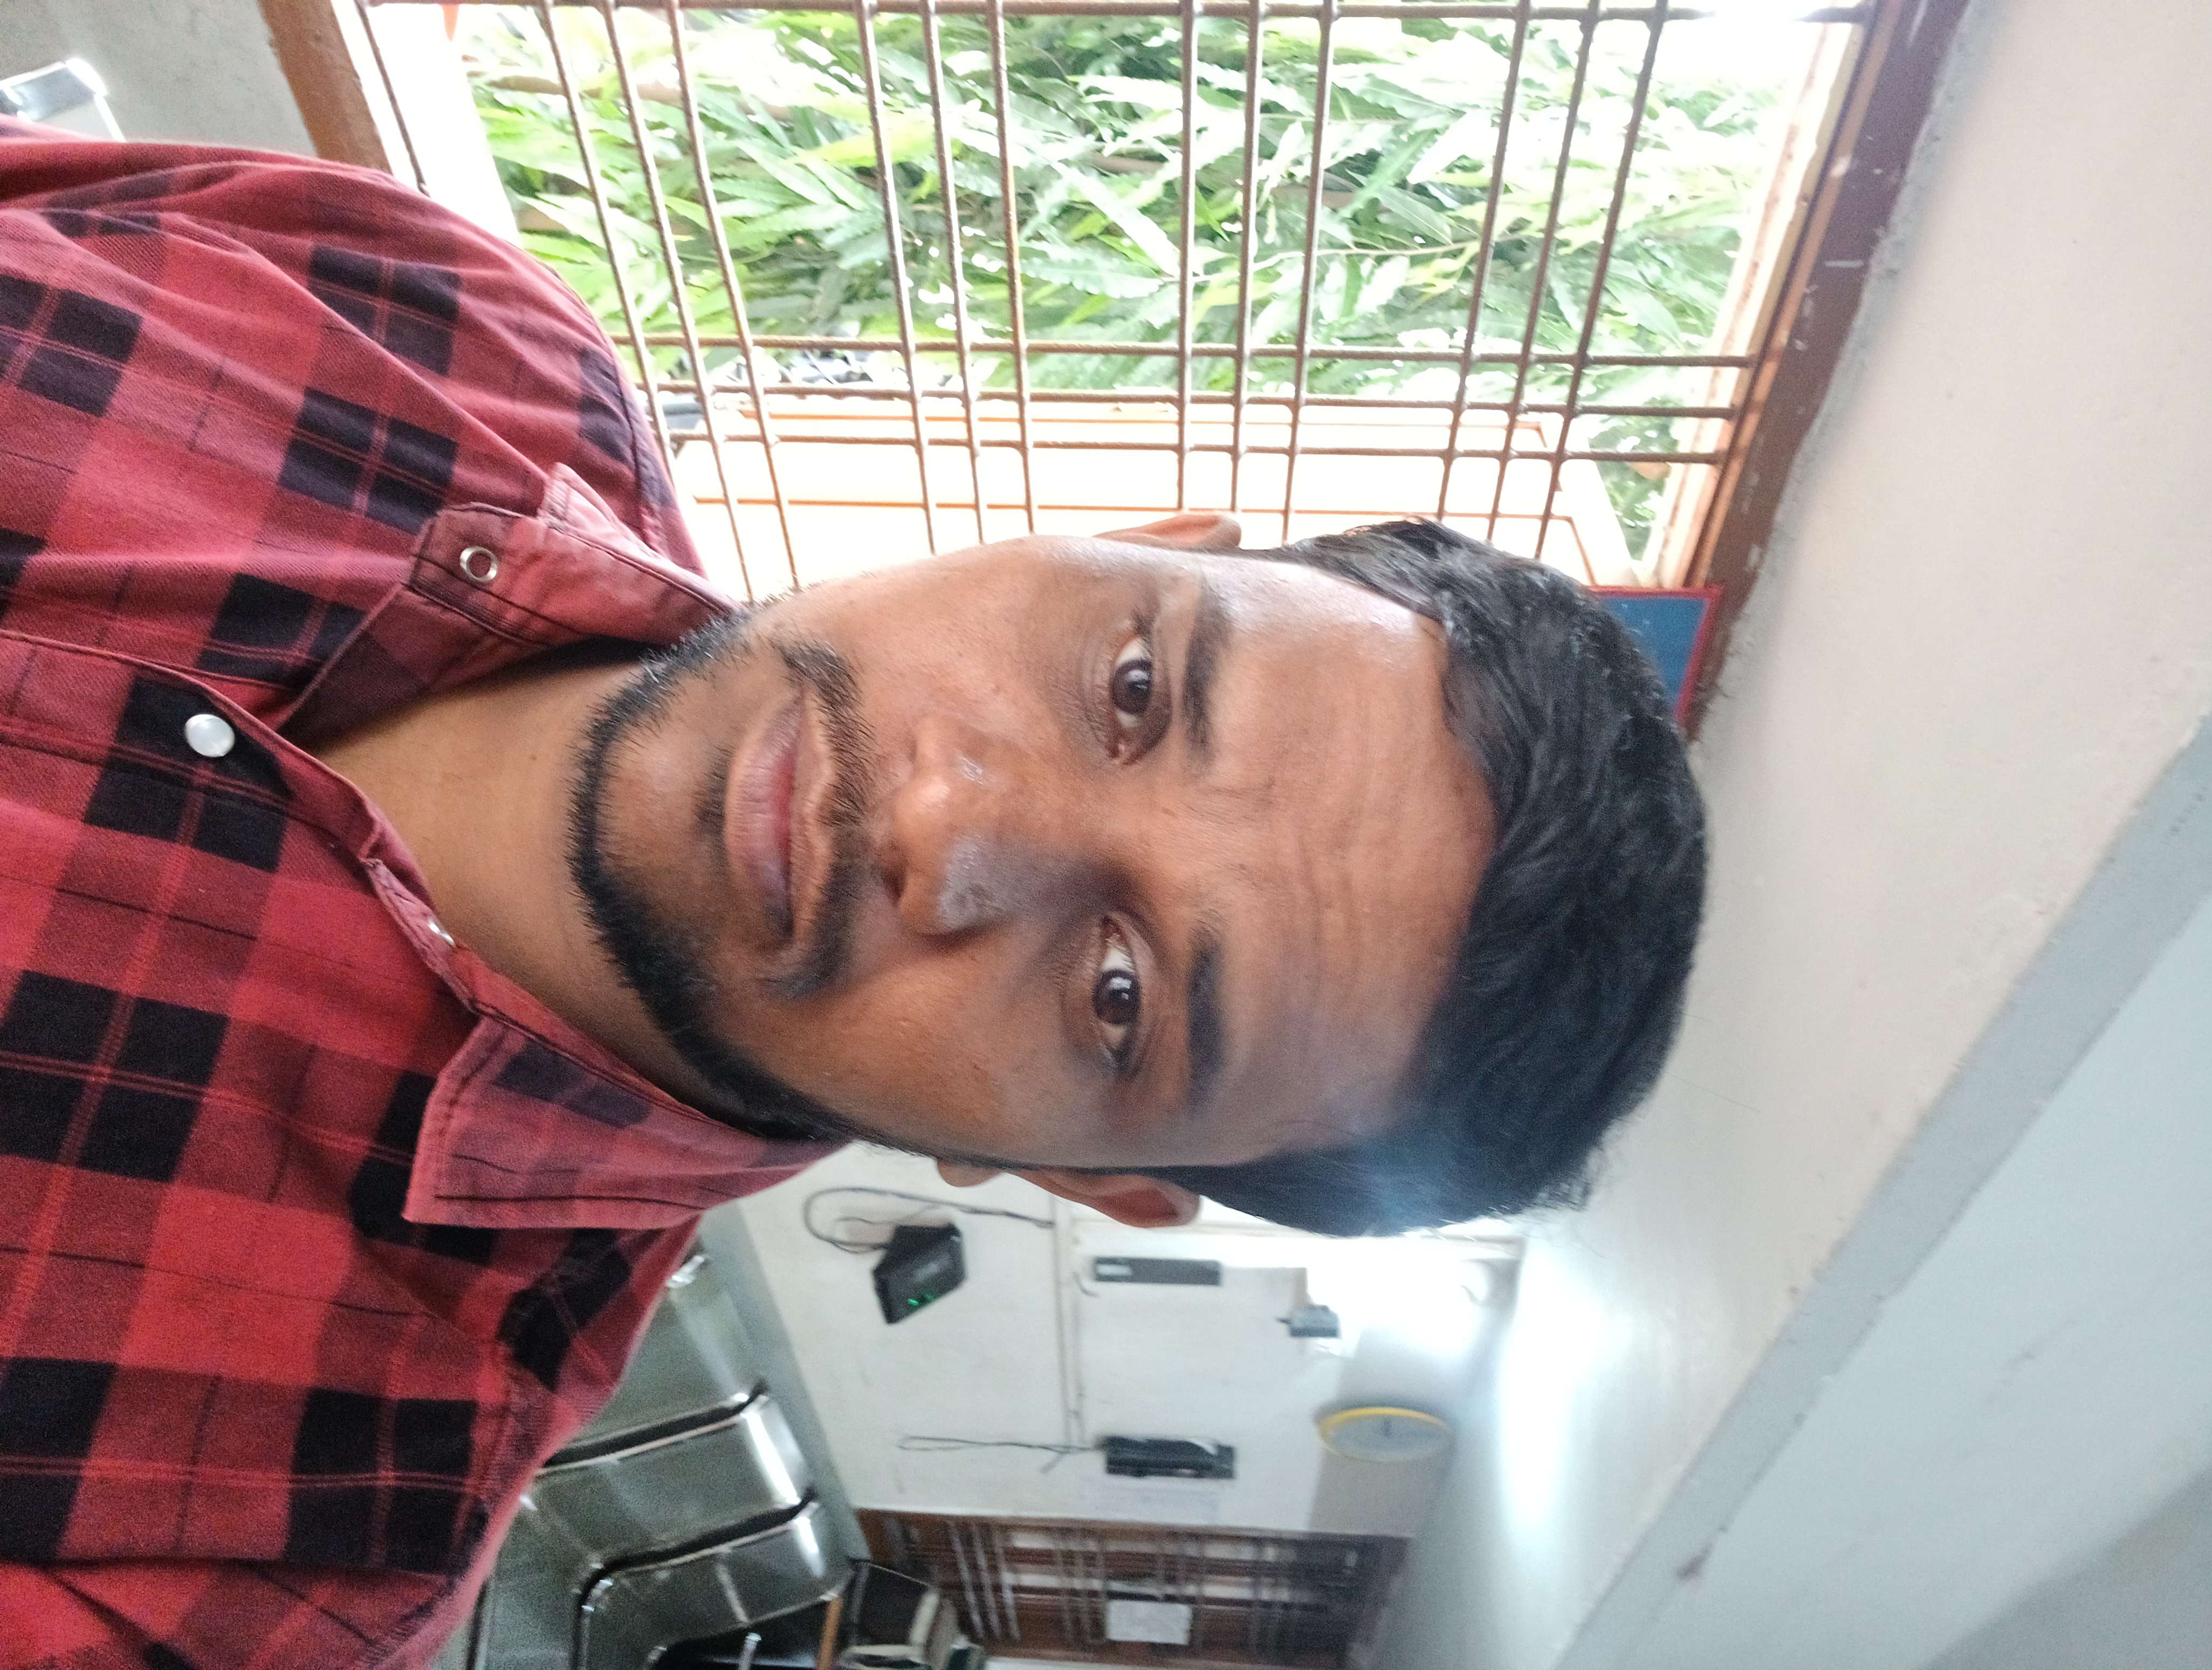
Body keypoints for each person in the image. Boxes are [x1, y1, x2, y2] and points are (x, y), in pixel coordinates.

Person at [0, 119, 1703, 1668]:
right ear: (1152, 538)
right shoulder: (438, 322)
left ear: (1080, 1177)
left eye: (1118, 995)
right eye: (1132, 685)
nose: (950, 823)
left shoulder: (274, 1534)